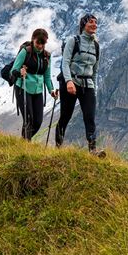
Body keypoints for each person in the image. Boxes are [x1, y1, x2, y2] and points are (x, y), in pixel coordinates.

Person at [56, 13, 102, 154]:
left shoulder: (96, 45)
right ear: (84, 25)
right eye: (91, 22)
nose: (94, 24)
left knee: (90, 116)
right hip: (71, 82)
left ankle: (93, 150)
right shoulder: (73, 41)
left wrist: (93, 88)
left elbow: (95, 70)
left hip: (87, 85)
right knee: (65, 116)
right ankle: (58, 147)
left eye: (95, 22)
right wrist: (69, 81)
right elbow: (65, 63)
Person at [11, 28, 58, 140]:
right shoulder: (25, 52)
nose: (40, 46)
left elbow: (47, 76)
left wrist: (51, 90)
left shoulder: (47, 56)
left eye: (43, 43)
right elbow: (14, 70)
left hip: (38, 91)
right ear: (33, 40)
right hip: (23, 88)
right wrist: (20, 72)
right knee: (29, 119)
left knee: (37, 121)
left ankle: (23, 142)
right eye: (38, 42)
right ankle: (25, 145)